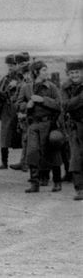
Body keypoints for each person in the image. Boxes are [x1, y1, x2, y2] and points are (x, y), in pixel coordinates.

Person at [18, 60, 63, 193]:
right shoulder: (26, 88)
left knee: (52, 152)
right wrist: (26, 105)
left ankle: (57, 182)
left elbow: (59, 105)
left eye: (46, 69)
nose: (46, 72)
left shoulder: (51, 87)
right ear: (36, 72)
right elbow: (18, 104)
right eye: (44, 70)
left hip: (49, 124)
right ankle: (34, 183)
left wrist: (43, 100)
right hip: (33, 125)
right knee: (32, 153)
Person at [60, 59, 83, 201]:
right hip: (75, 126)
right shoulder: (65, 87)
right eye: (72, 73)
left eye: (77, 72)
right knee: (76, 157)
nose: (74, 75)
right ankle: (80, 189)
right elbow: (65, 105)